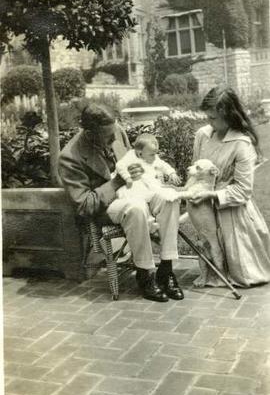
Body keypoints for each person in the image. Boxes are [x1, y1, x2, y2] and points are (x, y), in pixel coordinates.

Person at [58, 100, 184, 302]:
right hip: (109, 207)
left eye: (114, 133)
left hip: (134, 192)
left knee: (169, 198)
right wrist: (116, 182)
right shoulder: (70, 157)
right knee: (136, 208)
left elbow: (132, 161)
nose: (113, 140)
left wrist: (141, 169)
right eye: (107, 138)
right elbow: (84, 205)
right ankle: (146, 274)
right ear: (90, 133)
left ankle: (166, 269)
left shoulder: (115, 131)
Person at [188, 85, 270, 287]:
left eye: (213, 118)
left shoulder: (242, 144)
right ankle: (209, 271)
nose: (209, 122)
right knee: (206, 245)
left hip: (230, 210)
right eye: (207, 117)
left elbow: (243, 191)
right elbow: (196, 170)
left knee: (244, 273)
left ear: (229, 115)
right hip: (204, 210)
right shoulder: (202, 135)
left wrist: (211, 195)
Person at [114, 133, 182, 233]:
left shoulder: (153, 158)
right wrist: (127, 177)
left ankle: (159, 221)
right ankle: (149, 222)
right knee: (139, 203)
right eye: (152, 154)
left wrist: (171, 172)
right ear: (140, 153)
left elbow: (163, 164)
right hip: (132, 187)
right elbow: (120, 165)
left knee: (165, 193)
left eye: (155, 153)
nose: (155, 157)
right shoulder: (131, 156)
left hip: (147, 187)